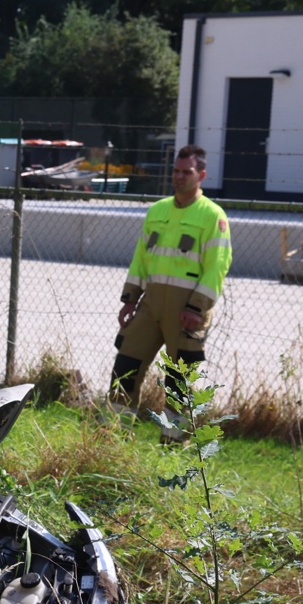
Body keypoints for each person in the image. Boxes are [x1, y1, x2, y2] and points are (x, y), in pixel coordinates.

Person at [111, 145, 232, 422]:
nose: (179, 177)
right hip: (150, 305)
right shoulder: (157, 211)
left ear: (201, 175)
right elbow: (141, 259)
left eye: (186, 172)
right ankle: (113, 440)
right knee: (125, 368)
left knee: (179, 382)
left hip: (187, 312)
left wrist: (196, 308)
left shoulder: (213, 216)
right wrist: (130, 299)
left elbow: (217, 267)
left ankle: (173, 447)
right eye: (175, 171)